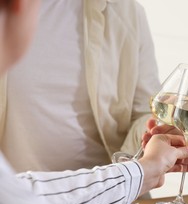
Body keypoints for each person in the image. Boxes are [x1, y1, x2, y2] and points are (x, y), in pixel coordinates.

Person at [0, 0, 188, 204]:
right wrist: (144, 170)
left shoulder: (125, 11)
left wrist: (151, 143)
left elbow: (145, 111)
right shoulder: (14, 14)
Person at [0, 0, 161, 173]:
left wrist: (157, 134)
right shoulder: (8, 9)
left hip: (107, 191)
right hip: (16, 192)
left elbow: (146, 112)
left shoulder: (125, 11)